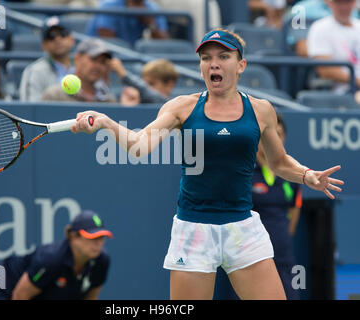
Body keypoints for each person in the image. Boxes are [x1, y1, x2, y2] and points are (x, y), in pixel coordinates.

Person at [70, 28, 344, 300]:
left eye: (223, 56)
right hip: (193, 229)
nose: (214, 63)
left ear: (241, 65)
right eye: (206, 57)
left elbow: (279, 161)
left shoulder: (262, 110)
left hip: (243, 228)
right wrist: (106, 122)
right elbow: (140, 146)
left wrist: (307, 175)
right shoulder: (181, 107)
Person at [0, 210, 113, 300]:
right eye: (92, 238)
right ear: (73, 237)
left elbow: (90, 297)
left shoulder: (102, 261)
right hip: (3, 285)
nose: (98, 244)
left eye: (101, 238)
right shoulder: (51, 259)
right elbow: (19, 296)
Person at [251, 114, 302, 300]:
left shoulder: (291, 174)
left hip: (283, 257)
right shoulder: (244, 171)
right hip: (249, 259)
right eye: (267, 134)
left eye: (279, 134)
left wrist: (282, 237)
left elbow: (294, 209)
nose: (273, 139)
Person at [307, 0, 360, 105]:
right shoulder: (320, 27)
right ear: (329, 3)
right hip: (342, 92)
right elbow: (324, 69)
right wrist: (357, 81)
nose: (344, 7)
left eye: (348, 2)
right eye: (339, 3)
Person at [41, 38, 116, 103]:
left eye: (102, 62)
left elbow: (123, 120)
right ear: (77, 59)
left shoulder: (109, 101)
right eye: (93, 59)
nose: (98, 66)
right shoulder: (55, 96)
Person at [19, 16, 76, 102]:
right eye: (51, 36)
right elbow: (30, 109)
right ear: (43, 45)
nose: (57, 39)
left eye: (63, 34)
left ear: (72, 39)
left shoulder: (83, 68)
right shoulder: (34, 71)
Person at [85, 0, 169, 47]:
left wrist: (149, 22)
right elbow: (107, 42)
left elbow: (163, 44)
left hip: (131, 58)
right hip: (99, 54)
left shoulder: (152, 8)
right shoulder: (109, 5)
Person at [109, 57, 179, 104]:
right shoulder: (138, 101)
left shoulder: (173, 105)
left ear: (170, 84)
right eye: (144, 83)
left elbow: (147, 91)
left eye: (151, 84)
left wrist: (123, 73)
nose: (146, 87)